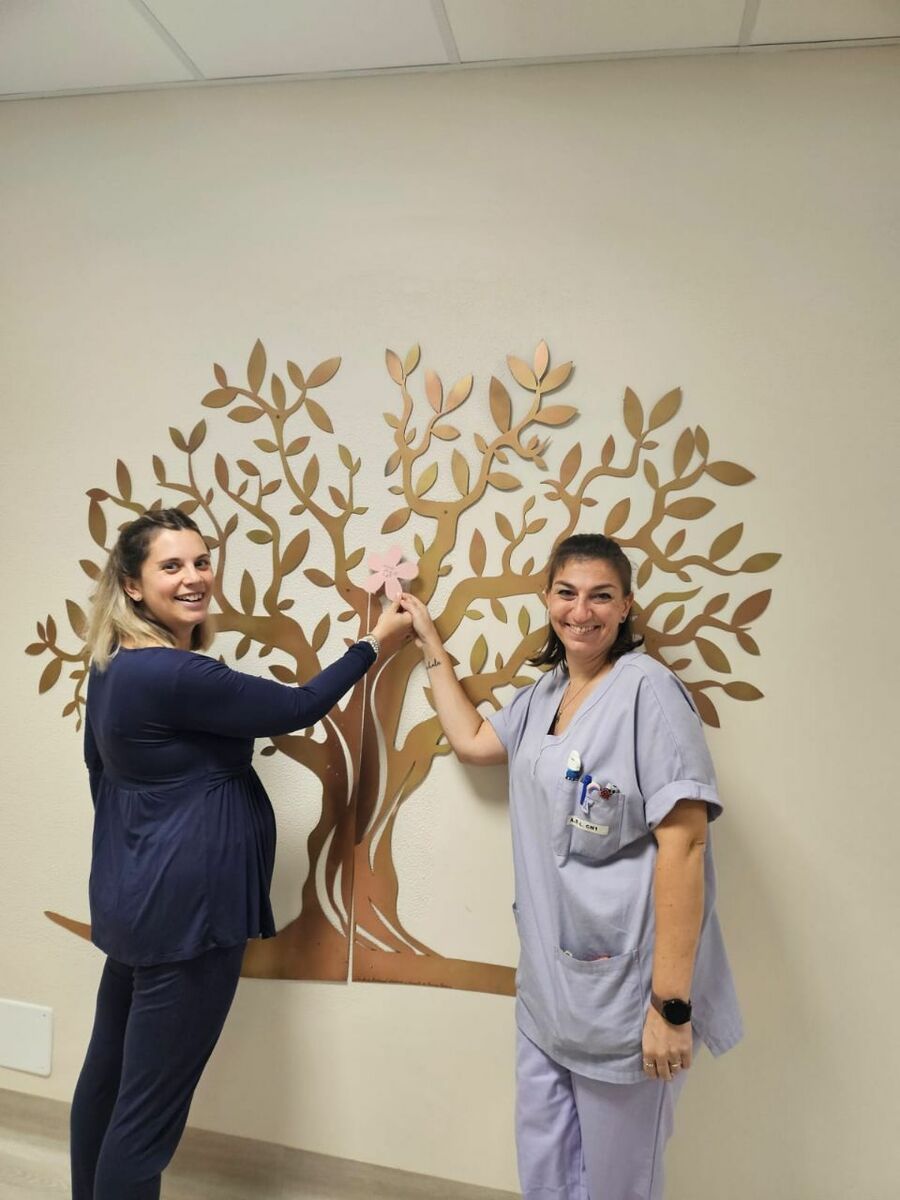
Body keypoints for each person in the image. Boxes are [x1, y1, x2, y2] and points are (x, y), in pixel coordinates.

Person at [70, 507, 410, 1200]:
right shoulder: (171, 673)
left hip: (136, 899)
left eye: (201, 561)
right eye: (171, 566)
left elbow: (98, 773)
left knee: (108, 1082)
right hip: (189, 914)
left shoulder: (111, 666)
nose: (194, 577)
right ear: (132, 585)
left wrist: (143, 851)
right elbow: (297, 707)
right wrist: (375, 641)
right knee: (146, 1118)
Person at [399, 533, 742, 1200]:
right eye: (567, 593)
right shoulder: (546, 694)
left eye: (601, 596)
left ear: (626, 607)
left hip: (626, 998)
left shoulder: (648, 693)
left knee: (618, 1186)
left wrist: (671, 1008)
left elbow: (686, 846)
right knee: (547, 1175)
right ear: (547, 598)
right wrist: (428, 642)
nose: (581, 611)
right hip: (548, 994)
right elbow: (473, 741)